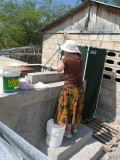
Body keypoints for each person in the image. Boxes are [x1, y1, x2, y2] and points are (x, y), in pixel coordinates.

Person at [53, 40, 84, 138]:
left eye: (65, 50)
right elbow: (78, 51)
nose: (64, 52)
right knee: (77, 108)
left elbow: (58, 69)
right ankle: (75, 128)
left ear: (68, 51)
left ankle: (68, 132)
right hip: (80, 88)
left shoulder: (66, 60)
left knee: (69, 109)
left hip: (70, 89)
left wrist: (62, 59)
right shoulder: (80, 58)